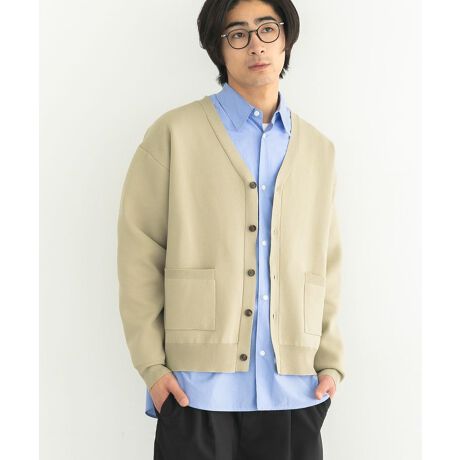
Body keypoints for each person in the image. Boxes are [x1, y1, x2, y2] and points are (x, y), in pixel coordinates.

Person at [117, 0, 345, 458]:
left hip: (293, 391)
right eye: (237, 34)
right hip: (195, 391)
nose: (256, 45)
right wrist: (152, 367)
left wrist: (330, 363)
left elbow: (327, 261)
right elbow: (139, 251)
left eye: (267, 29)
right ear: (218, 49)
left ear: (286, 38)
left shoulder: (318, 149)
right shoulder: (173, 134)